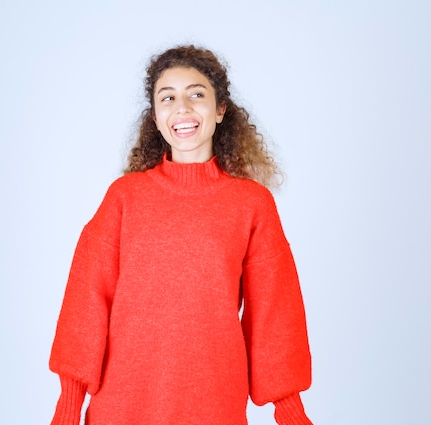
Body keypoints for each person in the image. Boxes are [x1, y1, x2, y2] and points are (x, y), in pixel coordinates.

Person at [49, 45, 313, 425]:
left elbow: (274, 313)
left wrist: (289, 410)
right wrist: (68, 406)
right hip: (122, 406)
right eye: (167, 98)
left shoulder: (252, 205)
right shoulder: (125, 198)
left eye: (197, 94)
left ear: (220, 109)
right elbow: (86, 301)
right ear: (155, 117)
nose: (183, 108)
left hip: (214, 405)